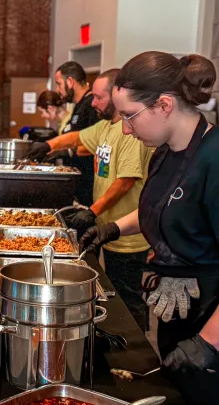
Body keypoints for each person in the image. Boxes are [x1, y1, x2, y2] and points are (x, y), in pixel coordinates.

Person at [81, 52, 219, 404]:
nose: (125, 128)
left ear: (164, 105)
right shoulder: (165, 151)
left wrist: (207, 343)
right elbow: (163, 210)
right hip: (183, 316)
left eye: (129, 115)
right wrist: (111, 229)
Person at [28, 69, 153, 330]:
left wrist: (92, 211)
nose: (93, 103)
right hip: (109, 228)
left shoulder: (130, 133)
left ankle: (138, 347)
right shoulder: (106, 126)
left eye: (98, 97)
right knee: (115, 293)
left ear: (116, 96)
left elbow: (125, 181)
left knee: (129, 298)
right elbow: (78, 137)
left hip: (128, 235)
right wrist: (49, 146)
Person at [28, 61, 99, 206]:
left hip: (89, 183)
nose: (57, 89)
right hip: (79, 183)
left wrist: (67, 152)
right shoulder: (78, 106)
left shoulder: (90, 105)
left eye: (59, 84)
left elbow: (97, 143)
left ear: (70, 82)